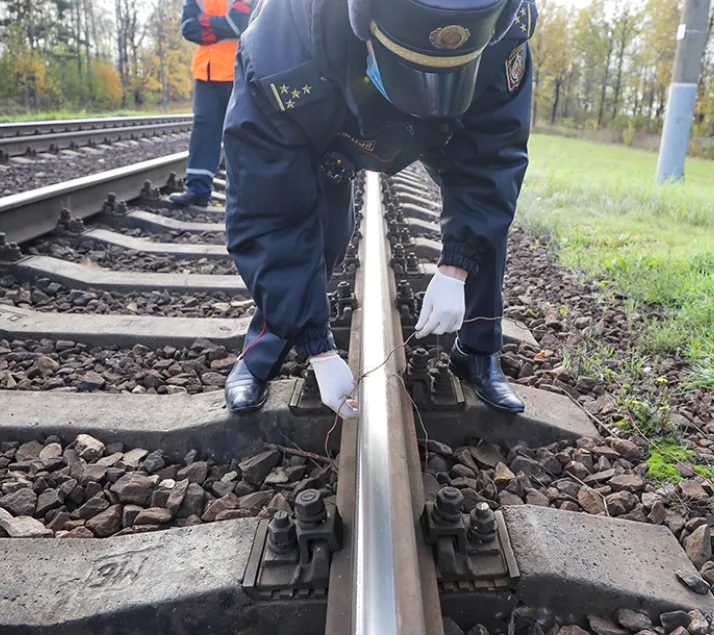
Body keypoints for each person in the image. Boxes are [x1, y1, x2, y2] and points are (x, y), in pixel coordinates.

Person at [222, 0, 537, 418]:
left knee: (482, 225)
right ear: (365, 24)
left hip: (451, 121)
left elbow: (492, 160)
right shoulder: (282, 44)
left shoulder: (505, 27)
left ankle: (479, 350)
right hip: (333, 105)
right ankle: (262, 352)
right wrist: (318, 348)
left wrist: (455, 268)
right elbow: (270, 211)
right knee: (320, 227)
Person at [170, 0, 254, 207]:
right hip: (205, 72)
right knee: (203, 131)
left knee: (244, 132)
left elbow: (239, 24)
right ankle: (197, 190)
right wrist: (220, 27)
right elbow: (188, 28)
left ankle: (249, 194)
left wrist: (205, 22)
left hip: (237, 70)